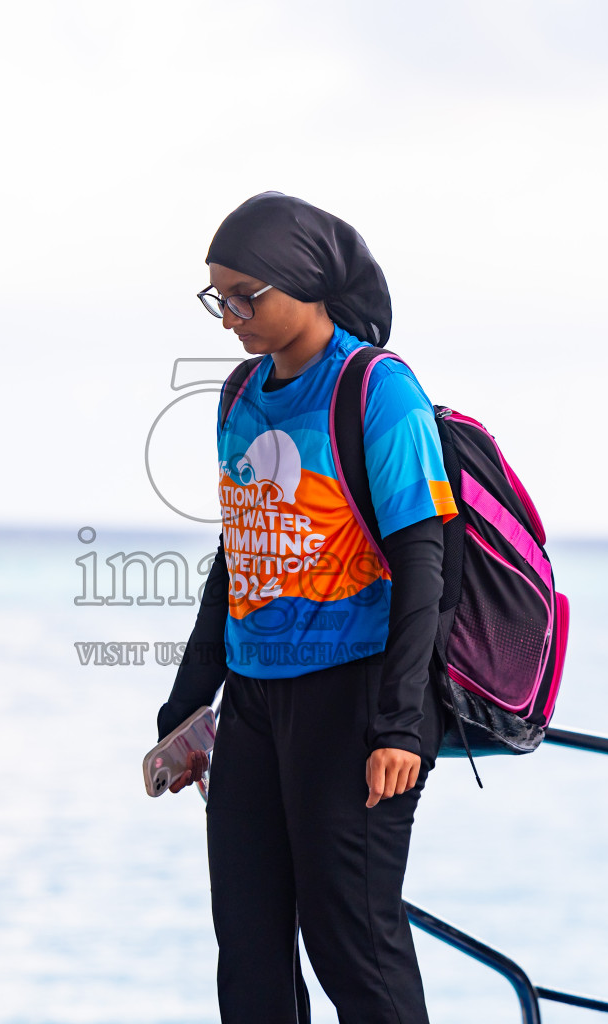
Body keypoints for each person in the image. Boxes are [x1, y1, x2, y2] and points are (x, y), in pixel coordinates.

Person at [156, 193, 457, 1024]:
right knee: (248, 948)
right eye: (219, 297)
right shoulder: (239, 394)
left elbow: (422, 565)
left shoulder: (377, 390)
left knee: (351, 941)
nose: (231, 318)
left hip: (355, 698)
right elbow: (239, 555)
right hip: (254, 701)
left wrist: (399, 724)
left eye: (247, 296)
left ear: (308, 283)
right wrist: (187, 705)